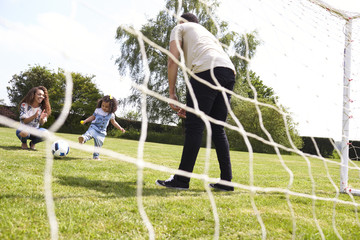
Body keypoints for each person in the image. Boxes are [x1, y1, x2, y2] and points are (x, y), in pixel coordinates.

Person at [156, 13, 236, 191]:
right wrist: (192, 106)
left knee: (195, 126)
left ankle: (182, 180)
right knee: (217, 127)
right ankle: (226, 181)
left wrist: (171, 93)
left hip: (206, 71)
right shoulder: (206, 33)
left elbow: (172, 60)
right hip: (228, 72)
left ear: (181, 21)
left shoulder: (180, 28)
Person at [79, 95, 126, 160]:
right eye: (103, 105)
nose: (104, 108)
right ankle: (83, 139)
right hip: (94, 127)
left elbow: (114, 122)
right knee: (89, 133)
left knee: (99, 144)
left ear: (112, 107)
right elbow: (92, 117)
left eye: (106, 107)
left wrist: (120, 128)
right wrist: (85, 121)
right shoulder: (98, 110)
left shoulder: (111, 115)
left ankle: (96, 156)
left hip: (102, 131)